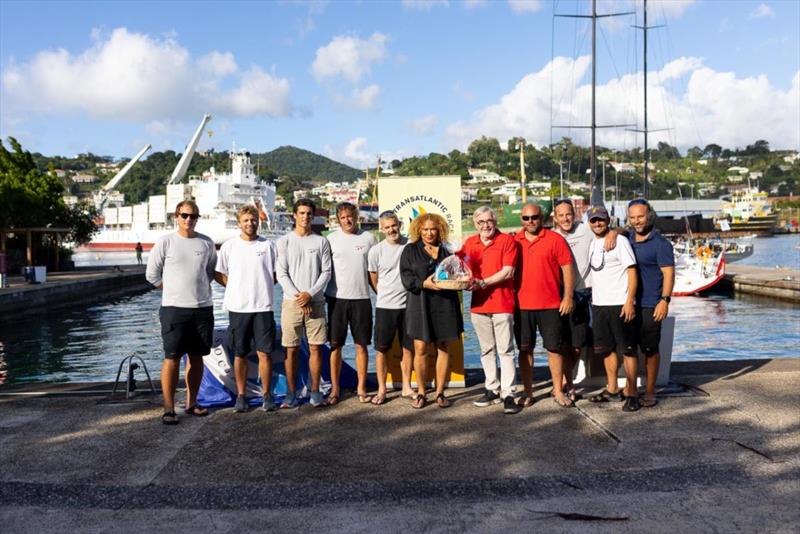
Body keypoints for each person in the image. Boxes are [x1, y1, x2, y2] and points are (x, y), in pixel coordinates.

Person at [146, 200, 217, 425]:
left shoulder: (206, 243)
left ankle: (192, 403)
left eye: (193, 216)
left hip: (202, 309)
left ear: (197, 218)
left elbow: (210, 271)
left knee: (197, 359)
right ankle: (168, 408)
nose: (189, 220)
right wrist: (173, 290)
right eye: (184, 215)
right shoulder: (166, 242)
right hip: (174, 310)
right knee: (172, 358)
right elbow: (152, 275)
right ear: (176, 216)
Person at [214, 205, 278, 413]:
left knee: (265, 353)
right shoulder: (229, 247)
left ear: (258, 222)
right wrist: (235, 287)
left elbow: (276, 274)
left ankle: (267, 395)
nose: (250, 223)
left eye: (253, 220)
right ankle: (241, 396)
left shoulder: (268, 245)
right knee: (239, 353)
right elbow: (219, 273)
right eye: (246, 220)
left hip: (263, 307)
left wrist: (262, 287)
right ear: (239, 223)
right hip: (238, 308)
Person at [551, 198, 617, 397]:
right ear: (555, 218)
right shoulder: (552, 236)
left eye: (569, 214)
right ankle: (564, 380)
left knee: (578, 343)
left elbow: (615, 231)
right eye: (561, 215)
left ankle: (566, 379)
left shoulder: (585, 229)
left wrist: (613, 232)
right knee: (561, 342)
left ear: (575, 214)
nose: (565, 219)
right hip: (561, 295)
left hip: (584, 293)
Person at [457, 206, 519, 414]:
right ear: (475, 224)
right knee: (486, 350)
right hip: (479, 305)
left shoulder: (507, 241)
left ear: (495, 220)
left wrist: (483, 283)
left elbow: (508, 271)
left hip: (502, 303)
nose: (485, 225)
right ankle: (492, 389)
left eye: (488, 221)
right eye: (480, 222)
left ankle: (508, 393)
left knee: (506, 350)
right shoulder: (469, 243)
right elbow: (458, 266)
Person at [514, 203, 576, 408]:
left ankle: (558, 390)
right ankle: (528, 392)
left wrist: (568, 297)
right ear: (521, 220)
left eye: (534, 217)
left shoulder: (555, 239)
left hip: (551, 305)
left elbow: (567, 268)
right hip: (522, 306)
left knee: (554, 349)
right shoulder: (514, 241)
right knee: (525, 350)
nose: (530, 221)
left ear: (542, 218)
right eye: (526, 218)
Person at [400, 213, 464, 409]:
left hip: (445, 304)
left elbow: (459, 273)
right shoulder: (410, 250)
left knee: (443, 347)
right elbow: (406, 278)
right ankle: (421, 392)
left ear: (440, 230)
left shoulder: (448, 251)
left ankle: (440, 393)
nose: (429, 233)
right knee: (420, 348)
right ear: (419, 229)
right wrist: (423, 283)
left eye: (433, 229)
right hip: (420, 303)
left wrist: (460, 279)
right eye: (425, 229)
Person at [276, 199, 332, 408]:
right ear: (294, 216)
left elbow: (326, 272)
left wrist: (310, 294)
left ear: (313, 216)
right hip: (292, 303)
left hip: (316, 302)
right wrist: (300, 297)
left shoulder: (321, 242)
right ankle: (291, 394)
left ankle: (315, 392)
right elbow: (281, 273)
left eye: (309, 213)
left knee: (316, 348)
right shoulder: (284, 242)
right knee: (291, 349)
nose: (305, 217)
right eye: (301, 213)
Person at [583, 206, 640, 411]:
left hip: (620, 303)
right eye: (593, 220)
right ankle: (613, 388)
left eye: (601, 220)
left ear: (608, 221)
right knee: (606, 350)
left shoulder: (620, 241)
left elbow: (632, 272)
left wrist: (629, 301)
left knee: (628, 350)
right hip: (599, 305)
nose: (597, 223)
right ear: (589, 222)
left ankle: (632, 392)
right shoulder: (592, 243)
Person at [326, 202, 378, 404]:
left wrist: (380, 292)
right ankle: (335, 389)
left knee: (361, 345)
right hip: (336, 298)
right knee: (335, 346)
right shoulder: (330, 240)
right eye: (342, 217)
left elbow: (374, 270)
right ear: (338, 220)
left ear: (356, 216)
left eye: (350, 216)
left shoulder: (369, 239)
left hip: (362, 298)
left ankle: (362, 388)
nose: (347, 220)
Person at [627, 198, 675, 408]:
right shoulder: (625, 238)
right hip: (628, 303)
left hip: (650, 303)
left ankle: (649, 390)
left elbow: (669, 274)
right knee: (628, 348)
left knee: (650, 349)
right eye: (633, 217)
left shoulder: (661, 244)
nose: (637, 221)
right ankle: (630, 390)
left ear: (649, 216)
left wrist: (664, 301)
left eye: (640, 216)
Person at [367, 210, 414, 405]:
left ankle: (406, 386)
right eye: (387, 227)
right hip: (385, 306)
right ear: (382, 229)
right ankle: (381, 389)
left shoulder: (410, 246)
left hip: (409, 305)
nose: (391, 229)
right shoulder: (376, 251)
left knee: (408, 348)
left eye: (394, 225)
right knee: (381, 350)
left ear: (400, 225)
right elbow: (373, 279)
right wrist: (385, 294)